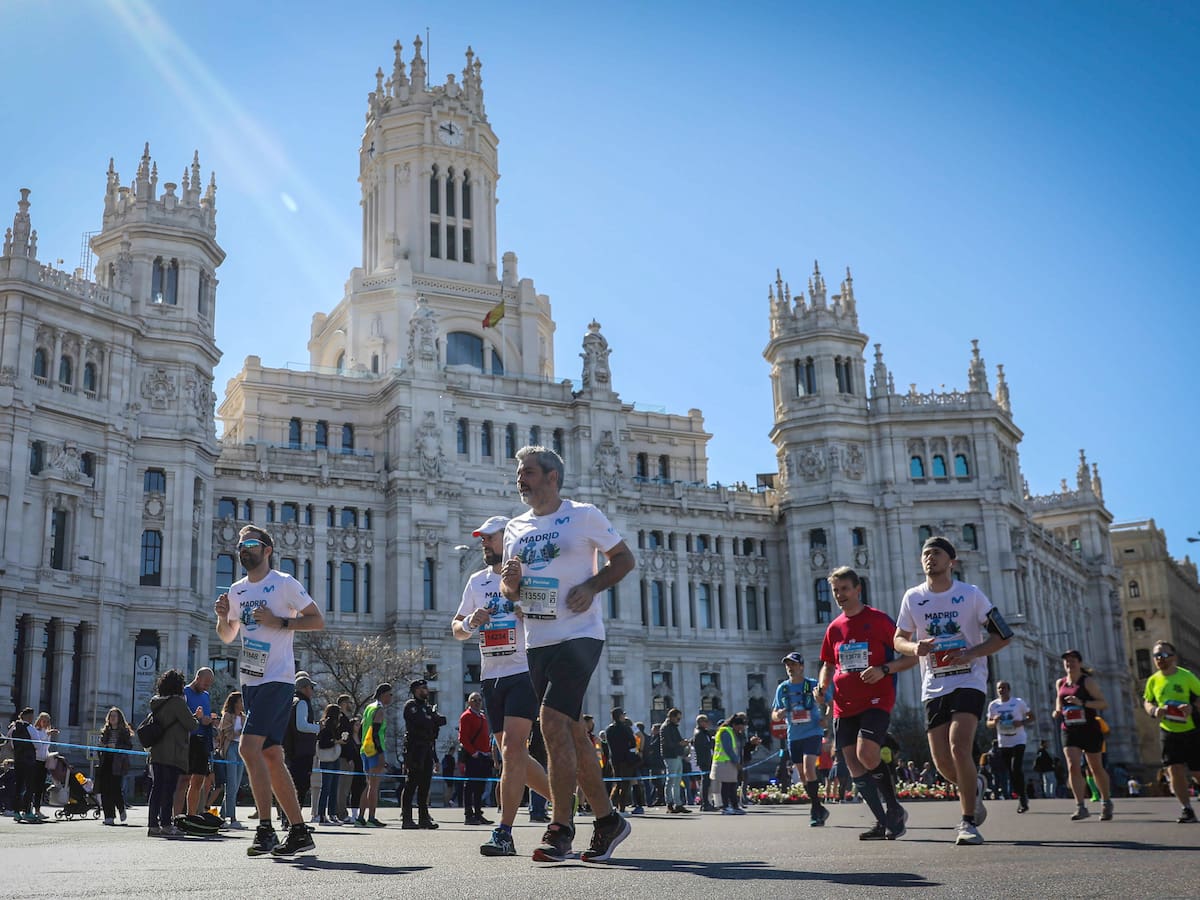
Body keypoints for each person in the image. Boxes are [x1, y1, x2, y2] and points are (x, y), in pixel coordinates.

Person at [499, 445, 636, 862]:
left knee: (552, 723)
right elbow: (510, 590)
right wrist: (511, 583)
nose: (521, 479)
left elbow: (624, 559)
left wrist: (591, 587)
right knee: (573, 734)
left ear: (552, 477)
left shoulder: (583, 514)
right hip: (538, 640)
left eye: (529, 473)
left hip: (580, 635)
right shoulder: (514, 527)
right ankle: (609, 820)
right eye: (520, 473)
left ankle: (560, 829)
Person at [214, 523, 325, 857]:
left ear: (266, 550)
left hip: (278, 678)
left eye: (250, 543)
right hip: (250, 681)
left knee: (248, 749)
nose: (243, 549)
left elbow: (316, 619)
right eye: (239, 545)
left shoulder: (283, 583)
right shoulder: (236, 590)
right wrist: (222, 618)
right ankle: (300, 831)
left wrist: (281, 622)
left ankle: (265, 829)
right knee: (271, 755)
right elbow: (228, 636)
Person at [894, 537, 1012, 846]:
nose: (929, 558)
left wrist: (973, 653)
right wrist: (914, 647)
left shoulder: (971, 595)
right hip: (934, 684)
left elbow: (1003, 634)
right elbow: (898, 639)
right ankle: (975, 786)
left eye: (936, 553)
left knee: (960, 746)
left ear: (951, 561)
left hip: (969, 680)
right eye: (925, 554)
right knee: (941, 761)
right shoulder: (913, 597)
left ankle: (968, 822)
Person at [452, 514, 552, 855]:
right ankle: (566, 801)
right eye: (481, 538)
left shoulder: (529, 574)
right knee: (515, 755)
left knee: (511, 750)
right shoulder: (477, 581)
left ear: (507, 540)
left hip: (523, 670)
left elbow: (552, 610)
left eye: (489, 538)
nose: (483, 543)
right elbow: (456, 628)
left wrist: (530, 611)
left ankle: (504, 832)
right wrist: (469, 621)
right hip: (490, 675)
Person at [819, 566, 918, 841]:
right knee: (852, 763)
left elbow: (910, 657)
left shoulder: (878, 620)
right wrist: (822, 685)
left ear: (857, 589)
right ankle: (882, 819)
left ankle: (895, 809)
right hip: (843, 704)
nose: (840, 595)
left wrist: (884, 669)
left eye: (845, 589)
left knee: (867, 753)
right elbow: (827, 664)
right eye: (835, 590)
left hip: (876, 699)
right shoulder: (834, 627)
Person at [1141, 639, 1200, 823]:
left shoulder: (1186, 676)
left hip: (1191, 729)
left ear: (1173, 657)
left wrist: (1191, 707)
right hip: (1168, 730)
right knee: (1174, 770)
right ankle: (1186, 808)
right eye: (1157, 655)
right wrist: (1154, 710)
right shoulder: (1153, 680)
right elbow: (1147, 701)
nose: (1160, 659)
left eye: (1164, 655)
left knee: (1197, 772)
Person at [1053, 649, 1113, 821]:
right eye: (1066, 661)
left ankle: (1106, 802)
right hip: (1069, 728)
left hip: (1089, 729)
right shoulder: (1061, 683)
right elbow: (1059, 701)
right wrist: (1057, 711)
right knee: (1072, 765)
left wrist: (1082, 703)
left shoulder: (1087, 682)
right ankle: (1080, 806)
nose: (1069, 664)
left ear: (1079, 663)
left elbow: (1103, 704)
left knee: (1095, 767)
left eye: (1072, 661)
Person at [772, 651, 827, 826]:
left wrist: (826, 718)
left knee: (809, 767)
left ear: (801, 666)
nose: (790, 668)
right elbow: (774, 714)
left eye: (794, 665)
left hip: (813, 732)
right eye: (788, 665)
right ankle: (818, 807)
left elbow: (830, 702)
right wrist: (778, 715)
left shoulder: (812, 685)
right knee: (803, 774)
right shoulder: (783, 688)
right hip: (794, 735)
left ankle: (815, 810)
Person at [147, 669, 199, 838]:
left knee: (157, 788)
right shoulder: (177, 702)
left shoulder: (156, 702)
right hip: (173, 752)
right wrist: (196, 717)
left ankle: (152, 825)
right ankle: (166, 824)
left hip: (157, 751)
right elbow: (191, 725)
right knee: (169, 789)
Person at [401, 679, 445, 829]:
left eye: (426, 687)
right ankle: (407, 818)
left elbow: (440, 721)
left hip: (427, 749)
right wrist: (431, 719)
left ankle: (423, 818)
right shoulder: (411, 706)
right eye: (423, 688)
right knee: (411, 784)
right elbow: (423, 722)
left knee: (425, 785)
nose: (426, 690)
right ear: (416, 690)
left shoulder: (426, 708)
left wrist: (436, 759)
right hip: (414, 750)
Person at [987, 680, 1034, 812]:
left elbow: (1032, 717)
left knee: (1016, 768)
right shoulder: (993, 705)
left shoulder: (1018, 703)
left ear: (1009, 689)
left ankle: (1022, 800)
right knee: (1011, 772)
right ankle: (1022, 794)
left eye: (1003, 688)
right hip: (1004, 741)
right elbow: (988, 724)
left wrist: (1022, 722)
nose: (1001, 690)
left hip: (1018, 740)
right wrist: (994, 722)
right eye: (999, 688)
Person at [175, 667, 215, 819]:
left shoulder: (206, 695)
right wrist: (198, 718)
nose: (207, 686)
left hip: (202, 740)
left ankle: (191, 816)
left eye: (210, 684)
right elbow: (180, 718)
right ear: (197, 678)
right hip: (187, 740)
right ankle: (177, 817)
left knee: (198, 780)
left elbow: (203, 716)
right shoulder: (184, 693)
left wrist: (209, 720)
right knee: (183, 780)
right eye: (205, 683)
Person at [282, 673, 320, 827]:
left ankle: (289, 820)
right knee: (301, 787)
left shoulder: (292, 702)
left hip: (292, 751)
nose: (312, 691)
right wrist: (318, 727)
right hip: (302, 752)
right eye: (311, 687)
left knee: (292, 788)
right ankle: (295, 822)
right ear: (304, 688)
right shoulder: (302, 703)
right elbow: (301, 726)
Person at [359, 682, 392, 828]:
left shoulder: (368, 707)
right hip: (374, 751)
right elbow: (377, 734)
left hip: (364, 749)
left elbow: (361, 729)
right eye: (390, 694)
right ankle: (371, 818)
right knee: (374, 785)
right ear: (384, 694)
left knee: (368, 785)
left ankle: (360, 818)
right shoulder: (379, 709)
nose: (391, 697)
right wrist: (380, 754)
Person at [458, 692, 494, 826]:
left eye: (479, 700)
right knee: (470, 786)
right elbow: (463, 737)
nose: (478, 702)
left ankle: (478, 814)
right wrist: (473, 752)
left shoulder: (482, 717)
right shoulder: (466, 716)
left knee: (480, 787)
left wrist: (488, 751)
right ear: (469, 702)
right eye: (475, 700)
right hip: (473, 756)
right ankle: (469, 815)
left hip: (484, 756)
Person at [97, 707, 133, 825]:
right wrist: (102, 746)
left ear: (119, 718)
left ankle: (121, 809)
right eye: (110, 715)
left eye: (114, 716)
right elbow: (100, 746)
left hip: (117, 762)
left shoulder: (124, 732)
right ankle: (109, 816)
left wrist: (116, 747)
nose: (112, 718)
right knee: (104, 789)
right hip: (106, 761)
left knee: (115, 788)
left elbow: (129, 747)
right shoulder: (105, 731)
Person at [315, 702, 349, 825]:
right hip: (328, 759)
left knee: (334, 787)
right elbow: (323, 743)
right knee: (327, 787)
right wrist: (336, 741)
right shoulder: (327, 725)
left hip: (334, 758)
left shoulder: (336, 725)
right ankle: (322, 815)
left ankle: (332, 813)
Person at [216, 692, 246, 828]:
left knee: (236, 783)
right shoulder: (227, 716)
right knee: (231, 783)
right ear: (234, 703)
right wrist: (240, 732)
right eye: (240, 701)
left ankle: (223, 814)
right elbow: (227, 732)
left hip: (242, 749)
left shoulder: (244, 717)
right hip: (231, 748)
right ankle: (232, 817)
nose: (242, 704)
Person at [605, 707, 640, 814]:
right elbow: (633, 742)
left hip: (614, 759)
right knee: (625, 784)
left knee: (617, 782)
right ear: (620, 716)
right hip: (626, 759)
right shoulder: (625, 728)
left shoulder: (609, 729)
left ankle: (610, 804)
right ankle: (622, 807)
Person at [711, 714, 746, 813]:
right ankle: (725, 806)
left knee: (732, 785)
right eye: (741, 726)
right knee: (726, 786)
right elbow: (728, 749)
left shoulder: (732, 732)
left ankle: (734, 806)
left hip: (729, 762)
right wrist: (736, 761)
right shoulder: (726, 732)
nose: (742, 728)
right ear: (735, 725)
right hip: (724, 762)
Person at [8, 708, 38, 823]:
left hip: (19, 760)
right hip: (29, 760)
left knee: (19, 786)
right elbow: (37, 744)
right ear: (28, 717)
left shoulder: (13, 728)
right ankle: (27, 811)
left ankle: (16, 812)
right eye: (31, 716)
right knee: (29, 786)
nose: (32, 718)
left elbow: (11, 744)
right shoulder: (30, 728)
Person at [660, 708, 692, 813]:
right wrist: (680, 743)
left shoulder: (673, 727)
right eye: (677, 718)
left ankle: (678, 803)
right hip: (670, 756)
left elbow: (677, 740)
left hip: (677, 755)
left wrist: (683, 743)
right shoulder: (665, 727)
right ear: (672, 717)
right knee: (671, 780)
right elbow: (667, 743)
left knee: (677, 781)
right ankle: (669, 803)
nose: (679, 720)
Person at [693, 715, 716, 811]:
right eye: (705, 721)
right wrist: (712, 742)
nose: (707, 723)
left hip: (708, 759)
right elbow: (704, 747)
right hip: (704, 760)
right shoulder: (699, 734)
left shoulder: (705, 733)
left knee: (707, 782)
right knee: (705, 782)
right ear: (701, 722)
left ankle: (707, 802)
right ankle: (705, 803)